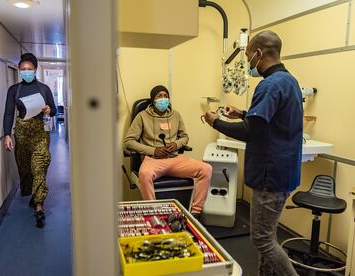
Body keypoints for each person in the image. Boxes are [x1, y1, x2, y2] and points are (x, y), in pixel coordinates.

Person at [203, 30, 302, 276]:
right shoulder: (289, 81)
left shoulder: (269, 85)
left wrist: (214, 122)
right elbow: (268, 121)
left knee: (262, 240)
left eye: (248, 57)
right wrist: (243, 113)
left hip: (271, 175)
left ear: (258, 53)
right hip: (284, 171)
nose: (248, 63)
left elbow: (249, 132)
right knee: (267, 236)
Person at [124, 85, 212, 219]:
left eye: (165, 96)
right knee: (145, 174)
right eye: (159, 96)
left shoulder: (175, 115)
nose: (163, 99)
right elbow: (129, 141)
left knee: (206, 169)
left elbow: (185, 137)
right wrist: (153, 150)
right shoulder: (142, 116)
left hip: (175, 159)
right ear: (153, 99)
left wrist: (176, 144)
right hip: (153, 160)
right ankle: (153, 214)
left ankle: (195, 213)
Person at [3, 53, 56, 228]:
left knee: (39, 165)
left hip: (40, 134)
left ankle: (39, 206)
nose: (26, 72)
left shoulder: (44, 89)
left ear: (35, 70)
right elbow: (9, 113)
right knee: (26, 169)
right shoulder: (14, 90)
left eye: (29, 69)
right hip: (22, 135)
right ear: (19, 70)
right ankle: (33, 195)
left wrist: (49, 110)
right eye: (23, 69)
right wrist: (7, 135)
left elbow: (54, 110)